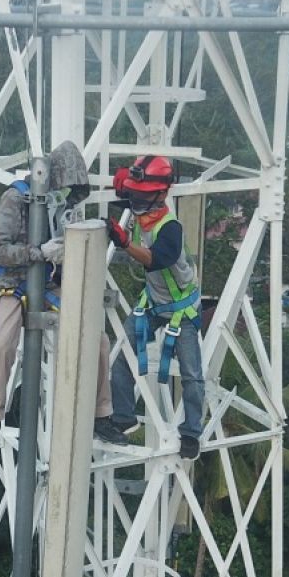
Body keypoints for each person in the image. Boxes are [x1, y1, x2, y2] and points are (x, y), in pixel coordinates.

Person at [0, 141, 128, 464]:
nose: (68, 192)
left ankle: (101, 415)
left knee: (98, 340)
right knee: (0, 343)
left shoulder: (66, 208)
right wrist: (38, 252)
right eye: (65, 185)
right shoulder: (15, 199)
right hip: (15, 283)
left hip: (52, 282)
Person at [105, 155, 204, 460]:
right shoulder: (140, 204)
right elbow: (125, 191)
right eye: (135, 193)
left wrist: (123, 244)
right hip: (152, 301)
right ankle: (123, 416)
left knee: (190, 373)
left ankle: (191, 432)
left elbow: (155, 259)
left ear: (161, 194)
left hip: (180, 309)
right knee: (122, 356)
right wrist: (122, 183)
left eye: (142, 194)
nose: (136, 199)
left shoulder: (169, 228)